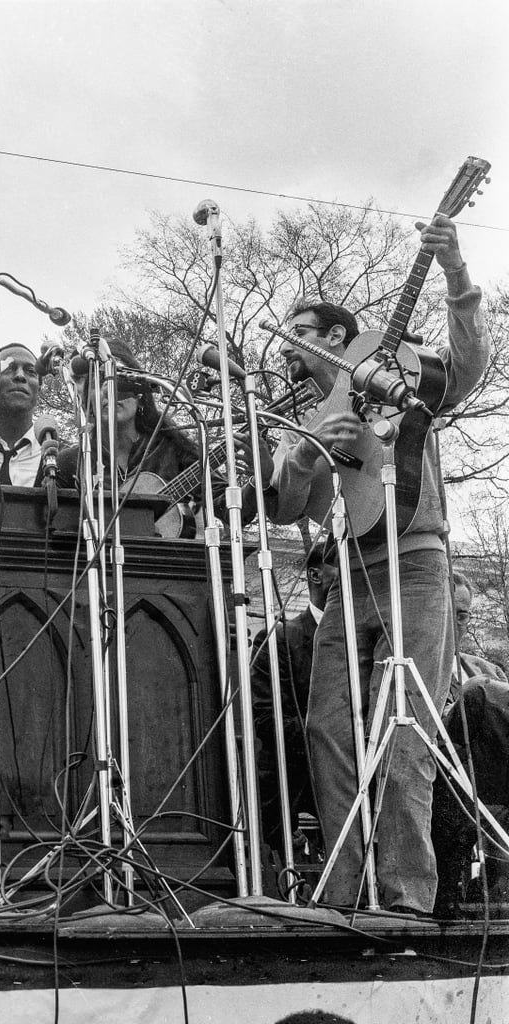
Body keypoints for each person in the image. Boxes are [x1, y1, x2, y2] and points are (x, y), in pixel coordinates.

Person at [268, 214, 491, 915]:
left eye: (299, 336)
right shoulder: (299, 419)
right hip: (348, 576)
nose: (287, 353)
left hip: (417, 563)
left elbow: (466, 371)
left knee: (405, 726)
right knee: (327, 727)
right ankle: (343, 894)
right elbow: (283, 509)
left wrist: (455, 273)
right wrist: (305, 453)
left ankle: (404, 899)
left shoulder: (395, 371)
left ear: (336, 338)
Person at [55, 339, 265, 531]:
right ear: (84, 398)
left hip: (173, 570)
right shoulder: (70, 463)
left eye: (120, 381)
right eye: (99, 382)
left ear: (139, 392)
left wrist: (261, 479)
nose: (111, 391)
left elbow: (233, 510)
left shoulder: (174, 448)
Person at [251, 544, 335, 864]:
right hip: (301, 791)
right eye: (342, 566)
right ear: (315, 574)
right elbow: (267, 720)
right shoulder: (281, 641)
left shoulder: (365, 642)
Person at [432, 571, 509, 915]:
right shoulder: (413, 669)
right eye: (450, 613)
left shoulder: (488, 670)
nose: (458, 624)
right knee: (480, 692)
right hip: (444, 789)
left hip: (493, 792)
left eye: (463, 615)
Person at [0, 343, 47, 486]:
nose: (20, 376)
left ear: (39, 387)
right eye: (9, 369)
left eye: (31, 371)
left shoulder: (58, 457)